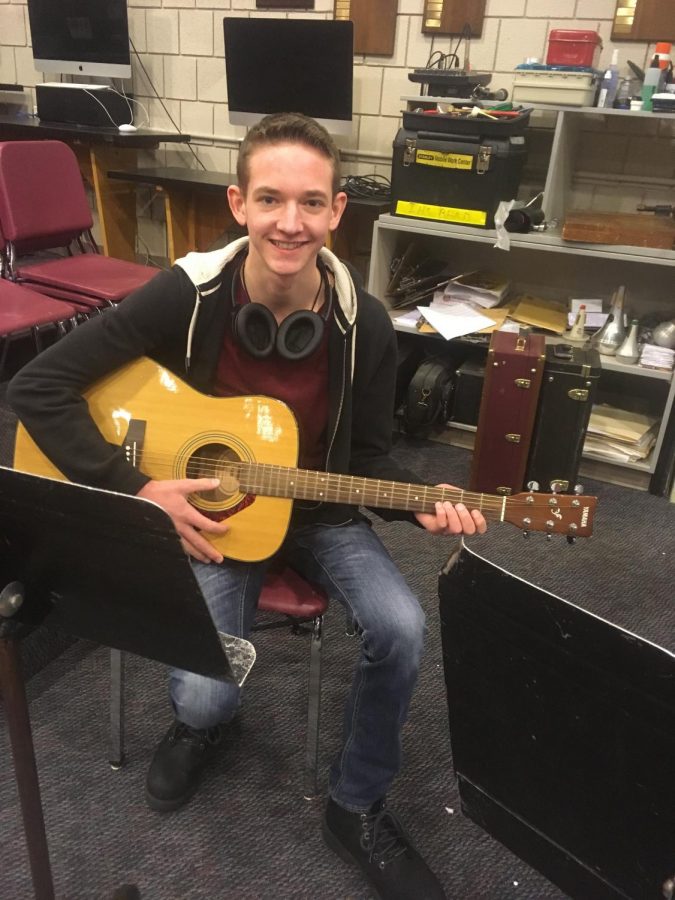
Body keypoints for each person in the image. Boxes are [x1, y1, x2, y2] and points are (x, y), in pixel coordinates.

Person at [8, 112, 487, 900]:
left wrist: (421, 503)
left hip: (318, 514)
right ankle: (204, 724)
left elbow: (366, 461)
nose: (289, 223)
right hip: (207, 518)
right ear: (238, 203)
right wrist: (135, 489)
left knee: (401, 627)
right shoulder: (186, 296)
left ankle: (355, 802)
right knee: (205, 692)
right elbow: (36, 387)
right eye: (270, 199)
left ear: (337, 211)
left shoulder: (363, 323)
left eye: (309, 203)